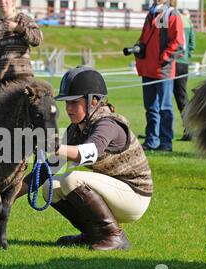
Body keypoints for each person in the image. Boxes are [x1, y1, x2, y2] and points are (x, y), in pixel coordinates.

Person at [16, 67, 154, 251]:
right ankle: (93, 234)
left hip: (135, 197)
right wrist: (10, 195)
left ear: (93, 101)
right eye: (67, 103)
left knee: (73, 179)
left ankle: (115, 236)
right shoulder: (77, 128)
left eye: (74, 102)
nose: (69, 108)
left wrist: (54, 146)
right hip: (114, 192)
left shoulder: (108, 123)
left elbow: (91, 151)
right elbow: (48, 169)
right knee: (52, 185)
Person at [136, 0, 184, 152]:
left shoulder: (172, 14)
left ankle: (165, 143)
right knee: (150, 108)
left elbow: (178, 42)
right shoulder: (150, 14)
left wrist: (163, 57)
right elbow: (144, 38)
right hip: (147, 68)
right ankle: (151, 140)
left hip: (163, 69)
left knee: (165, 108)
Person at [0, 0, 43, 93]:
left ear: (13, 1)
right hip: (0, 82)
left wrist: (18, 29)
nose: (2, 2)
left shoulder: (23, 19)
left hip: (23, 79)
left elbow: (38, 39)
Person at [174, 7, 195, 141]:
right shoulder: (188, 21)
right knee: (182, 97)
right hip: (184, 62)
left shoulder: (169, 19)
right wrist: (187, 56)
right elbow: (192, 44)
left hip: (171, 62)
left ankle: (157, 133)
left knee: (161, 100)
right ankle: (190, 129)